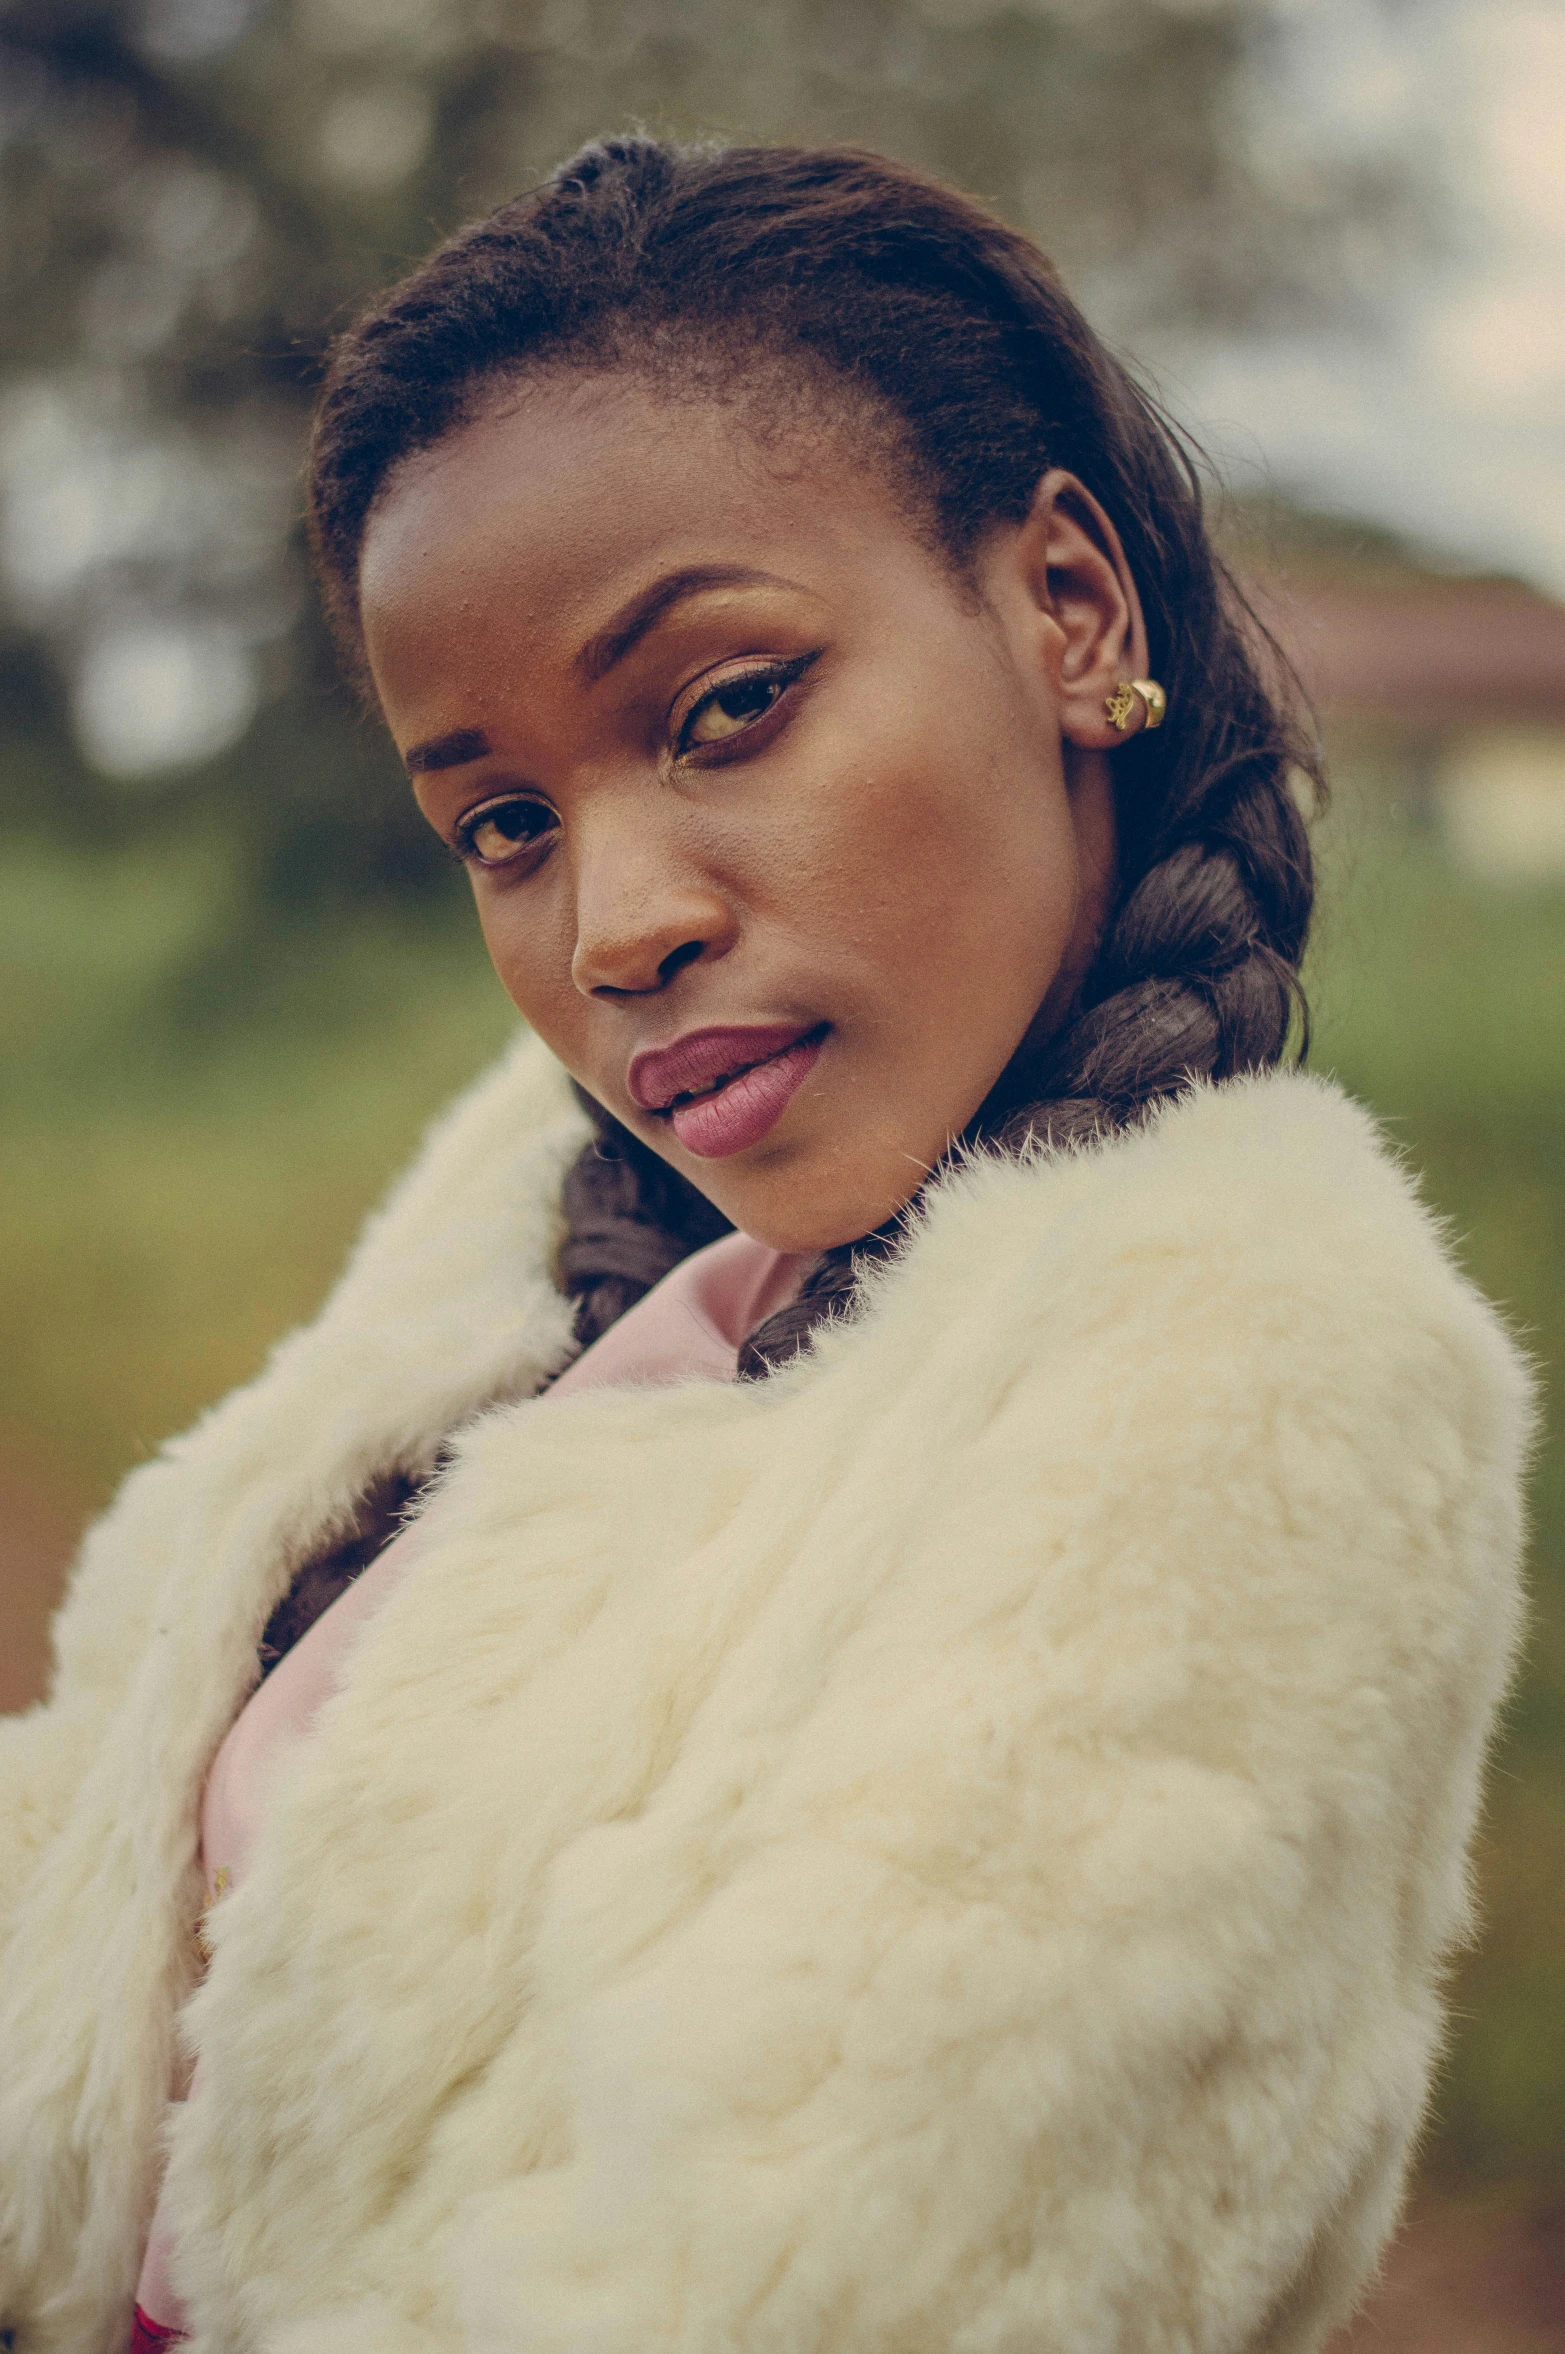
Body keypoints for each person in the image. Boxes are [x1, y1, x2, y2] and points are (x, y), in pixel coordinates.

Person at [0, 139, 1531, 2354]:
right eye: (501, 824)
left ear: (1066, 613)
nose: (613, 925)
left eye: (726, 707)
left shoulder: (1251, 1374)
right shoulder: (537, 1249)